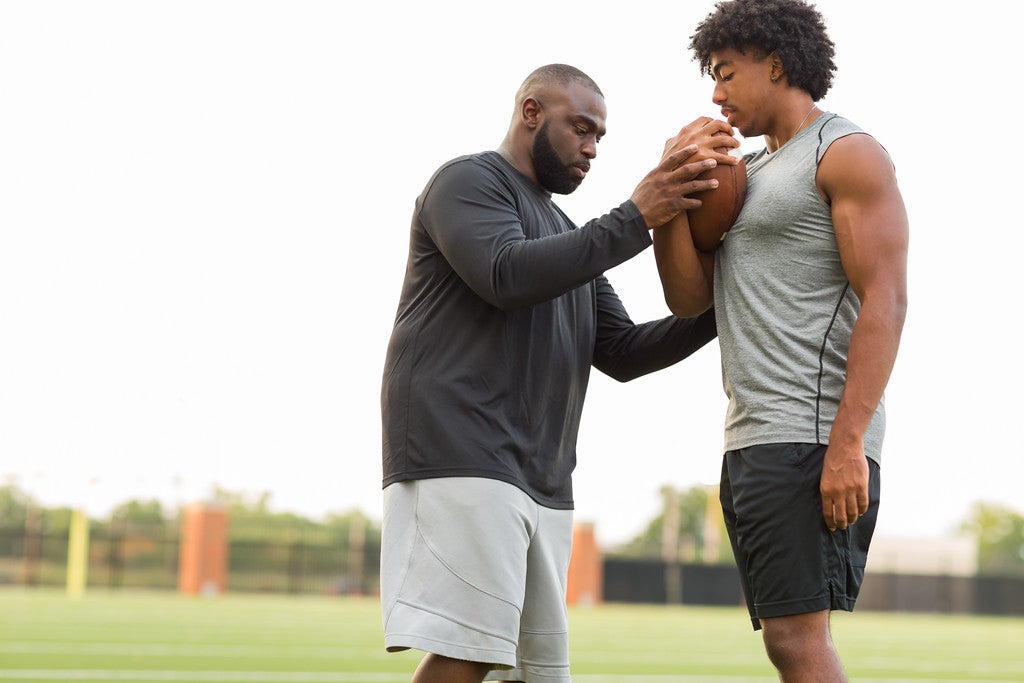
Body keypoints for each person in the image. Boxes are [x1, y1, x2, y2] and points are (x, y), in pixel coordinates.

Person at [379, 64, 738, 683]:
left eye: (600, 136)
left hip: (541, 476)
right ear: (531, 113)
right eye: (581, 128)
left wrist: (732, 300)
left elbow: (623, 351)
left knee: (534, 674)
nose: (592, 148)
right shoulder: (467, 182)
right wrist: (637, 216)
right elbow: (505, 274)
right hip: (462, 454)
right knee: (471, 654)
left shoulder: (568, 234)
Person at [653, 1, 910, 680]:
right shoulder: (744, 175)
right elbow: (686, 299)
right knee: (786, 638)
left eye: (725, 72)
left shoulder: (846, 152)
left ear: (774, 63)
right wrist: (668, 194)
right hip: (755, 436)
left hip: (814, 433)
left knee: (797, 640)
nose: (715, 92)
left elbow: (887, 297)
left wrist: (848, 443)